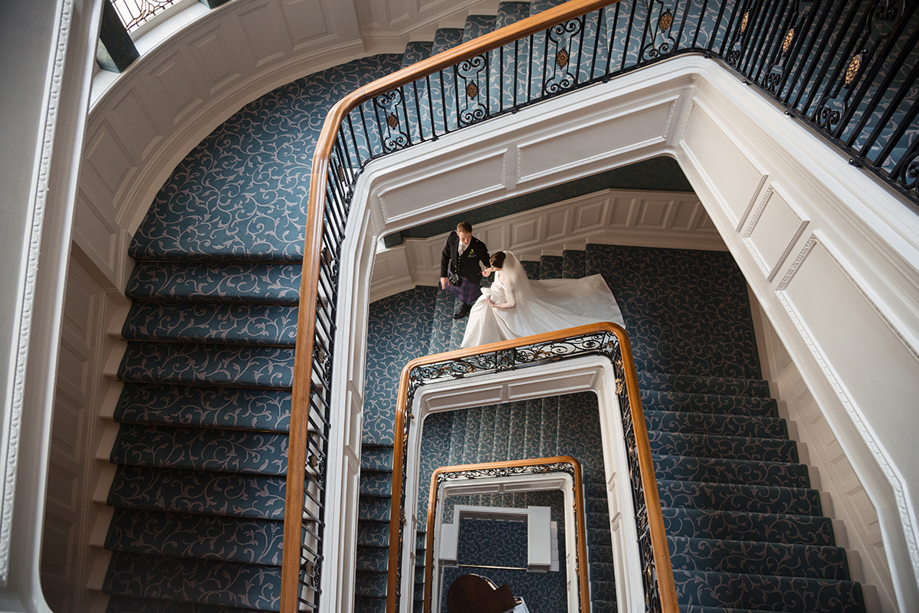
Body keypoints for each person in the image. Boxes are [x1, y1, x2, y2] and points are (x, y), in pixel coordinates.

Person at [461, 251, 625, 348]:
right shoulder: (506, 256)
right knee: (480, 309)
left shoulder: (509, 280)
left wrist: (495, 305)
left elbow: (512, 304)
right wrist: (490, 270)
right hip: (505, 292)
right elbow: (497, 265)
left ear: (503, 267)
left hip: (510, 301)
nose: (494, 270)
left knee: (486, 308)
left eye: (496, 268)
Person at [440, 222, 491, 319]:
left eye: (469, 237)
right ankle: (476, 291)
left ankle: (466, 306)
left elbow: (487, 261)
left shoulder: (479, 246)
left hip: (470, 276)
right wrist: (443, 276)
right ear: (458, 234)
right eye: (463, 238)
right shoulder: (452, 237)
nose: (466, 241)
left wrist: (488, 270)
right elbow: (445, 256)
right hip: (454, 272)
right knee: (456, 288)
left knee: (467, 296)